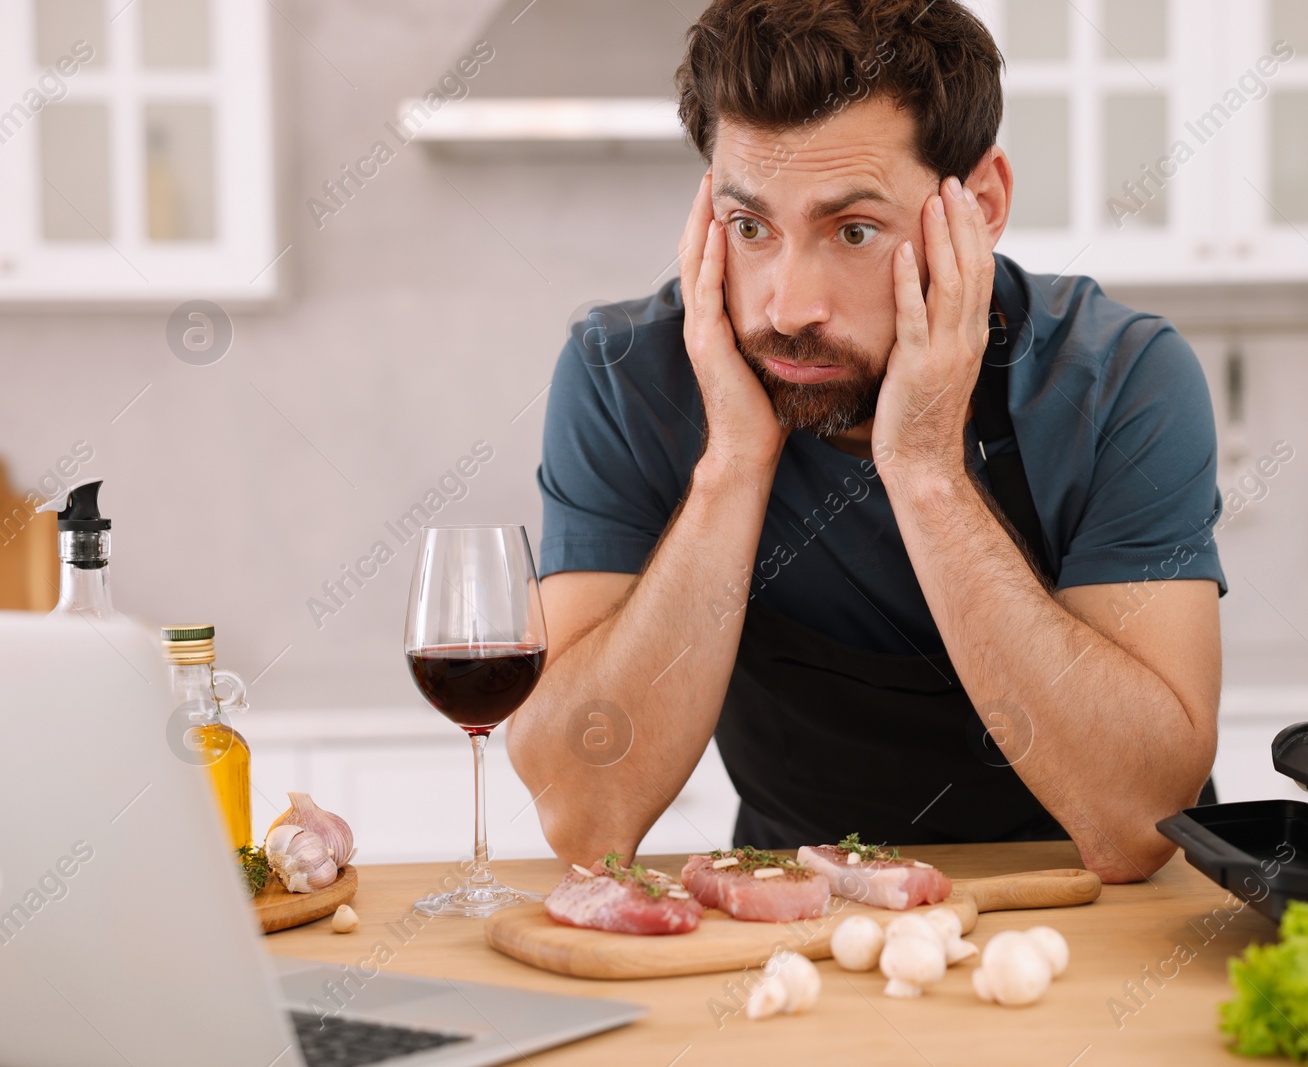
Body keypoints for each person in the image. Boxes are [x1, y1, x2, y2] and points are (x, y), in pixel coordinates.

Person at [506, 0, 1226, 883]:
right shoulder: (624, 378)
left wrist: (926, 470)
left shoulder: (1119, 378)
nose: (787, 305)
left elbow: (1136, 822)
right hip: (797, 921)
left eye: (853, 230)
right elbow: (585, 814)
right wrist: (734, 464)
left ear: (982, 202)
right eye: (750, 227)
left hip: (1099, 926)